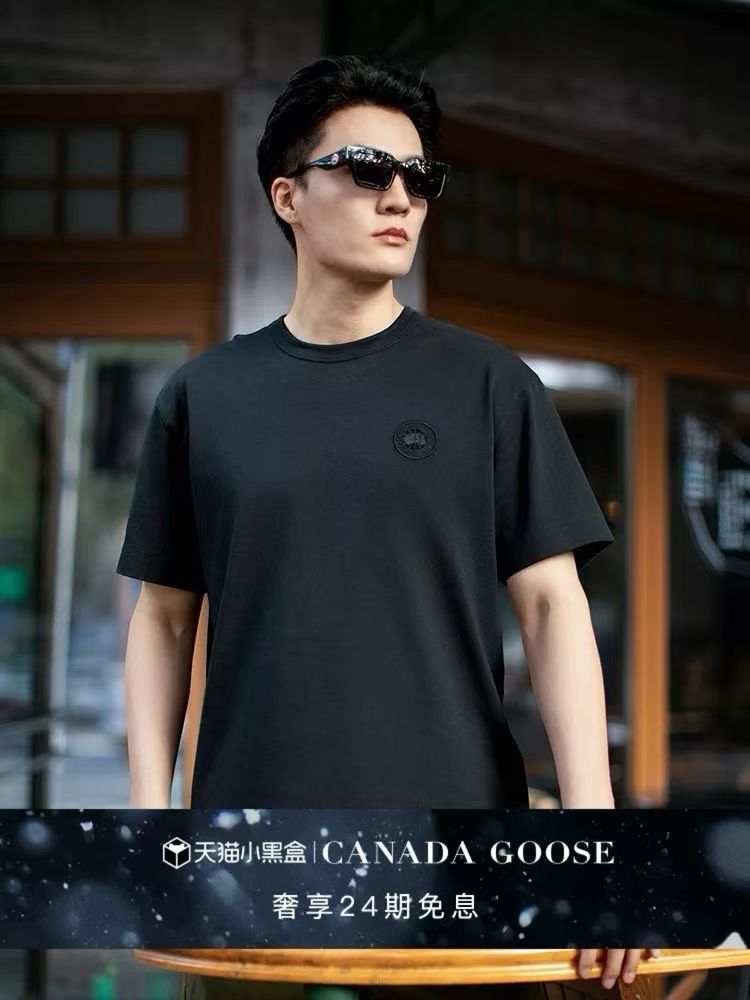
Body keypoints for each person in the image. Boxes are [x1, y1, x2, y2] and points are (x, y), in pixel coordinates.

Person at [117, 54, 660, 995]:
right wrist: (146, 823)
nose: (400, 197)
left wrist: (592, 836)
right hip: (253, 861)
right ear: (288, 195)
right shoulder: (205, 397)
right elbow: (162, 621)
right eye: (367, 170)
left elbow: (552, 608)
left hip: (459, 857)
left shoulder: (490, 386)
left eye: (420, 176)